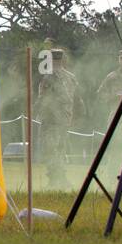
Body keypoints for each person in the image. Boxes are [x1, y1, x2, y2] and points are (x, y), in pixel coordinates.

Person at [36, 48, 84, 187]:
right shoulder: (71, 77)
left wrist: (35, 110)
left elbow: (43, 98)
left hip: (51, 119)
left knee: (49, 149)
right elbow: (77, 99)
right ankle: (61, 178)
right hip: (65, 119)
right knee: (60, 149)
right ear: (62, 60)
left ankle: (56, 179)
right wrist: (77, 116)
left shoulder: (48, 77)